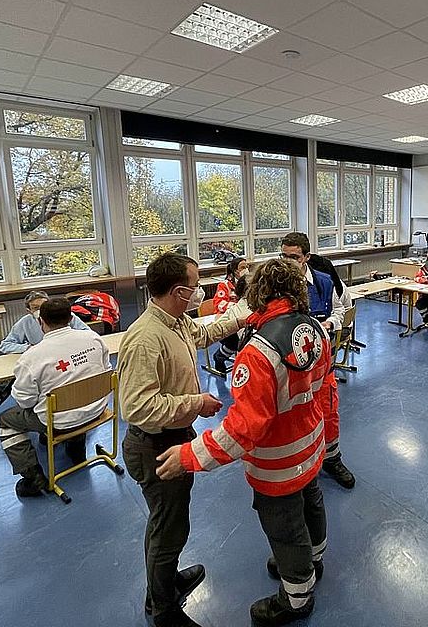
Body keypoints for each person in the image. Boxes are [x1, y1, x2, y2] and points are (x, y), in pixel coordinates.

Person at [154, 259, 331, 627]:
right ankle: (313, 561)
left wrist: (188, 455)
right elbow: (319, 388)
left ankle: (297, 597)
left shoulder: (258, 353)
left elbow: (242, 430)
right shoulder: (315, 328)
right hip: (312, 444)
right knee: (311, 502)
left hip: (278, 462)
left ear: (258, 294)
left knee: (284, 528)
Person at [118, 253, 247, 627]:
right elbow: (137, 407)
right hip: (153, 445)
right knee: (168, 527)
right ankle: (164, 611)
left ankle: (164, 584)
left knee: (168, 523)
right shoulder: (146, 338)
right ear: (178, 290)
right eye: (194, 286)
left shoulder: (176, 322)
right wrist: (197, 402)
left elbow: (206, 331)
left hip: (174, 435)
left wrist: (244, 312)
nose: (198, 292)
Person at [0, 297, 111, 498]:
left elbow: (25, 402)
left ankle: (33, 478)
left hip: (59, 421)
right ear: (71, 317)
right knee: (76, 396)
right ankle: (76, 450)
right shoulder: (94, 340)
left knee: (5, 421)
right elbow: (107, 372)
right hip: (97, 410)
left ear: (41, 322)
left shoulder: (32, 357)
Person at [279, 232, 355, 490]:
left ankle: (332, 459)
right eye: (283, 256)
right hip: (290, 369)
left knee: (329, 412)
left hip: (322, 366)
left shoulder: (323, 281)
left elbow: (339, 310)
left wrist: (329, 324)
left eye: (293, 257)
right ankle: (301, 464)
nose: (288, 262)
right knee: (295, 418)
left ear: (306, 257)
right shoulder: (276, 285)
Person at [0, 290, 91, 354]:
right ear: (29, 310)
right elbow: (5, 345)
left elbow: (88, 334)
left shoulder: (65, 315)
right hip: (42, 355)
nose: (41, 310)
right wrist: (28, 348)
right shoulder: (24, 323)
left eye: (44, 306)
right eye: (35, 308)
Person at [212, 257, 250, 373]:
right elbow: (218, 304)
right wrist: (235, 306)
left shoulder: (249, 281)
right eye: (243, 267)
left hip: (241, 319)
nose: (246, 269)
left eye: (247, 267)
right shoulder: (225, 285)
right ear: (235, 270)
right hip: (226, 319)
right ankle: (220, 356)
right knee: (236, 342)